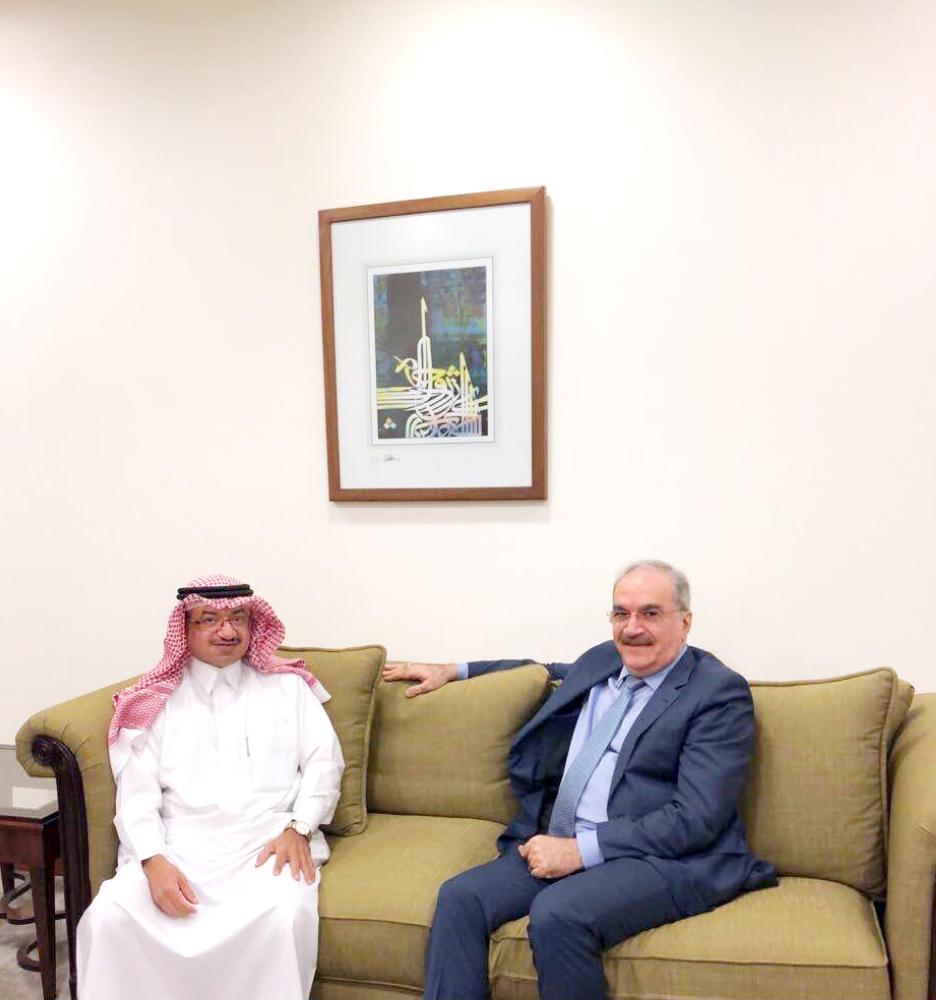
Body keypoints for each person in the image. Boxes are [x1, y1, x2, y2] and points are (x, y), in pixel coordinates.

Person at [382, 560, 777, 1000]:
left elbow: (696, 818)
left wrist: (579, 851)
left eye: (650, 613)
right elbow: (541, 669)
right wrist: (455, 670)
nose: (632, 628)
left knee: (557, 913)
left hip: (663, 857)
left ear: (684, 622)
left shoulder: (717, 693)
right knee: (461, 898)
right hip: (559, 838)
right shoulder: (605, 661)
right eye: (621, 613)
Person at [77, 574, 344, 1000]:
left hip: (267, 844)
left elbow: (325, 764)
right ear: (184, 629)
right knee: (110, 914)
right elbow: (137, 795)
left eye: (238, 618)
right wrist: (152, 860)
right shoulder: (155, 700)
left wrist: (300, 828)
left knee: (283, 916)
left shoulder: (289, 688)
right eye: (209, 619)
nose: (227, 630)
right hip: (179, 846)